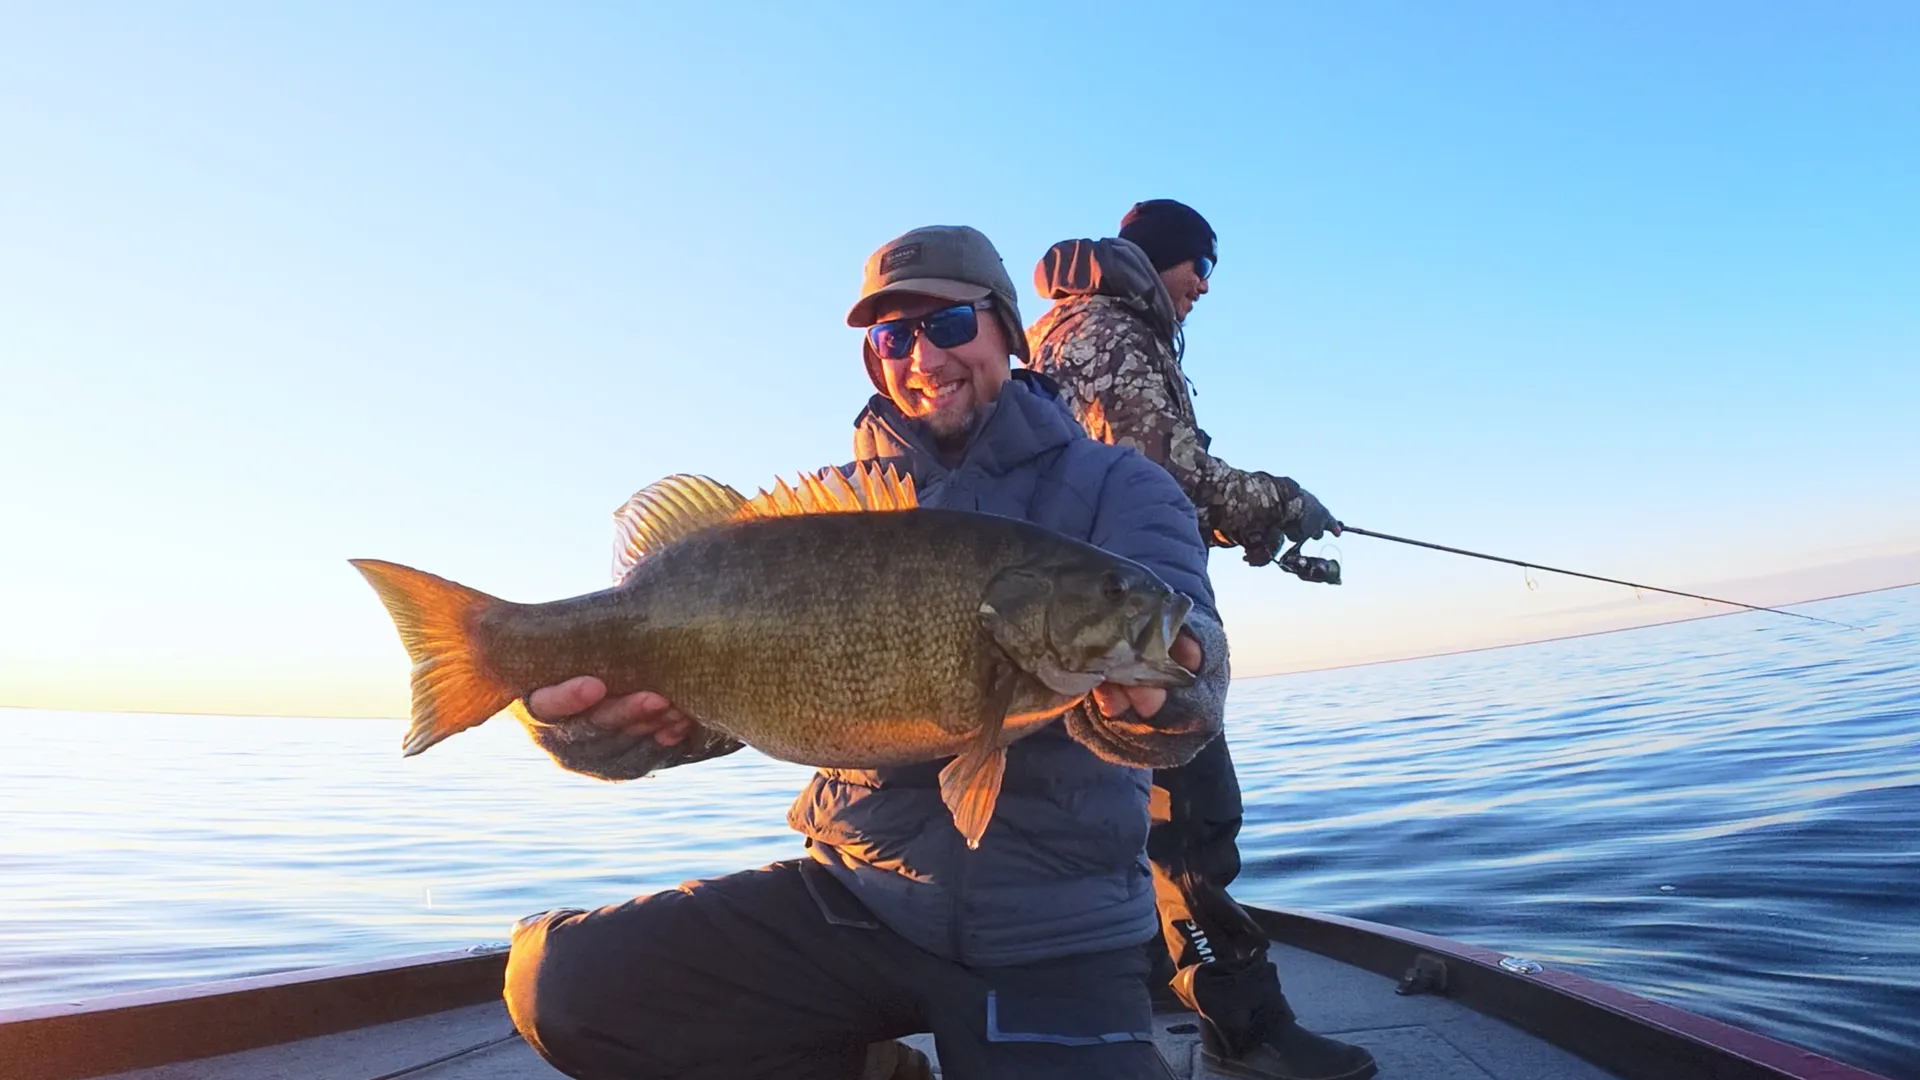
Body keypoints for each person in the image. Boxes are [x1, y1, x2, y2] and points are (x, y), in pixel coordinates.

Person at [499, 224, 1235, 1080]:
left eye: (950, 325)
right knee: (566, 983)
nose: (921, 356)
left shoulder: (1121, 486)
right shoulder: (834, 512)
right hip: (856, 897)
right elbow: (721, 710)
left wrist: (1167, 686)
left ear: (1007, 328)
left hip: (1057, 931)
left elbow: (1194, 668)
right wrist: (587, 731)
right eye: (891, 337)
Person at [1026, 199, 1377, 1080]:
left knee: (1144, 828)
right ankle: (1243, 1027)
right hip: (1130, 637)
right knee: (1195, 822)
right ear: (1163, 259)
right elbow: (1164, 475)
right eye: (1200, 268)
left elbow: (1138, 489)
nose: (1204, 289)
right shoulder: (1110, 330)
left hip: (1086, 627)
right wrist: (1283, 501)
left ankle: (1156, 978)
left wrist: (1246, 524)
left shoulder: (1067, 334)